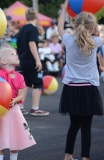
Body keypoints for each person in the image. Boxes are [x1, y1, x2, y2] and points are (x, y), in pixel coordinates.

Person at [58, 1, 104, 160]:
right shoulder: (96, 42)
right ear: (92, 27)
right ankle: (85, 157)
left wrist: (64, 9)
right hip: (89, 89)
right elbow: (97, 35)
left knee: (73, 125)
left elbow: (60, 28)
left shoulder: (68, 40)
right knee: (86, 128)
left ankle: (67, 156)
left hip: (71, 88)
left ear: (76, 25)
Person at [0, 47, 36, 160]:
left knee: (14, 143)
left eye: (15, 53)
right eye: (12, 54)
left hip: (14, 112)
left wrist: (15, 100)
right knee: (0, 142)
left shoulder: (20, 77)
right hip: (0, 112)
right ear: (4, 61)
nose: (16, 55)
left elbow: (21, 94)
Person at [16, 8, 49, 116]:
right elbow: (32, 44)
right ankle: (35, 108)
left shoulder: (22, 29)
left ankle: (20, 107)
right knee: (38, 83)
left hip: (22, 60)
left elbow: (20, 45)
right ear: (36, 17)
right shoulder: (33, 29)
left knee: (25, 83)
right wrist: (38, 60)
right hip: (31, 60)